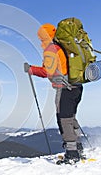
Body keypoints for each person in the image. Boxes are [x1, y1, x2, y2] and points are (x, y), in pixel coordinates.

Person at [27, 23, 84, 163]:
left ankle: (72, 154)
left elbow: (47, 72)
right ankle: (78, 146)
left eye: (40, 38)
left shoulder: (50, 50)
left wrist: (31, 69)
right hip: (77, 87)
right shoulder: (63, 47)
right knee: (70, 117)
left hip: (65, 88)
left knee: (63, 119)